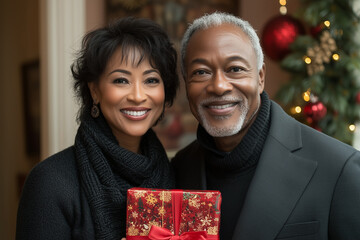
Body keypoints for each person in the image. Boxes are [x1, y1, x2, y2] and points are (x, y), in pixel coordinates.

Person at [172, 12, 360, 239]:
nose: (219, 86)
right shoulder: (178, 169)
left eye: (235, 69)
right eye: (201, 72)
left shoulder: (340, 169)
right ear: (186, 84)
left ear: (260, 78)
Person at [16, 17, 179, 240]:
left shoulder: (174, 175)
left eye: (151, 80)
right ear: (95, 91)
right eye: (121, 81)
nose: (138, 96)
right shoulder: (50, 182)